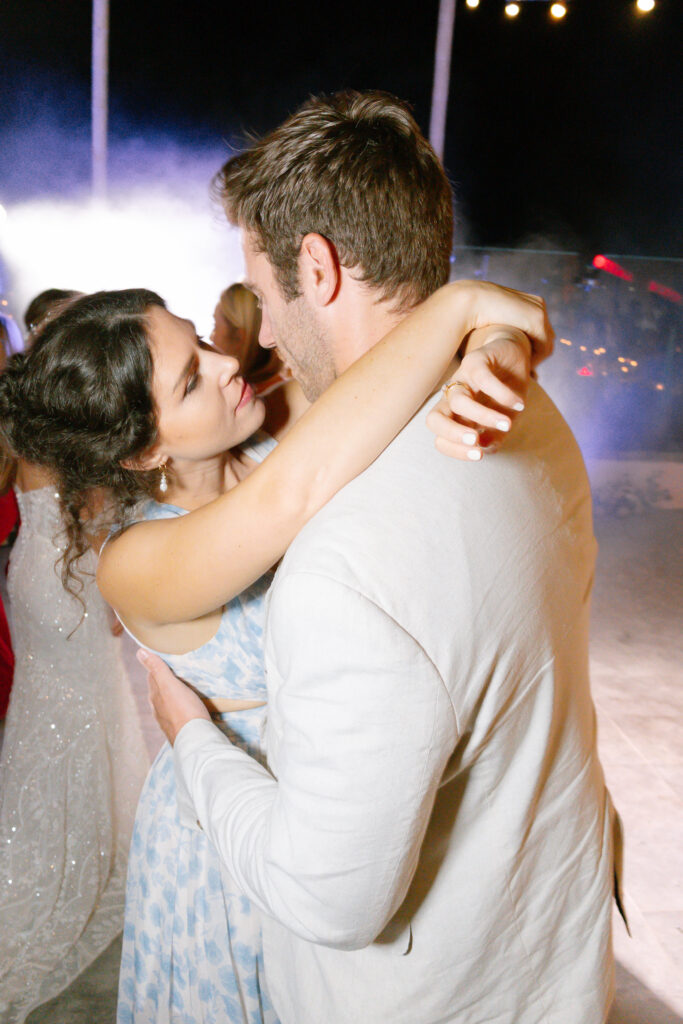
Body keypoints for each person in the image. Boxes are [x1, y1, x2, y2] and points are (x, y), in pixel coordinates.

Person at [145, 90, 619, 1024]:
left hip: (423, 996)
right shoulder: (529, 409)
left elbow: (327, 900)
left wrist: (192, 741)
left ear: (317, 268)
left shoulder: (341, 567)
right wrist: (489, 323)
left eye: (264, 296)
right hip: (553, 959)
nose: (261, 335)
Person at [0, 278, 548, 1023]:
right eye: (190, 379)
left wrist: (494, 342)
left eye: (199, 339)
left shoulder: (274, 425)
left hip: (349, 809)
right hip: (232, 843)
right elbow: (292, 495)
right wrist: (460, 305)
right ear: (145, 448)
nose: (226, 363)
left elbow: (418, 363)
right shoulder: (134, 560)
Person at [0, 292, 150, 1023]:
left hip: (40, 573)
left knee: (54, 710)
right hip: (72, 576)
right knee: (91, 702)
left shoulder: (30, 404)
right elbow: (98, 511)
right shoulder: (85, 411)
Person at [211, 282, 305, 437]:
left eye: (215, 326)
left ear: (239, 337)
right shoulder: (288, 384)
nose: (211, 337)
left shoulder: (258, 407)